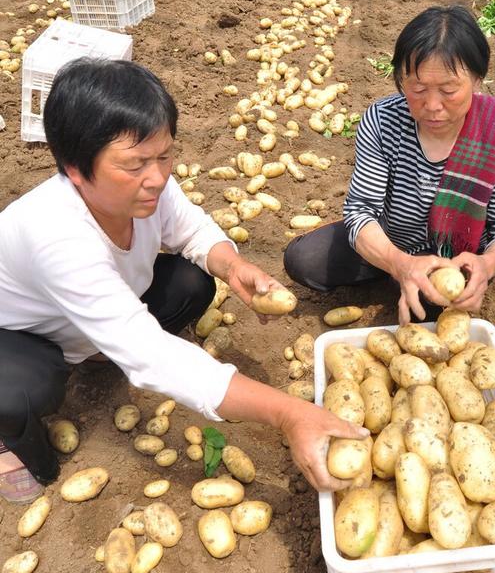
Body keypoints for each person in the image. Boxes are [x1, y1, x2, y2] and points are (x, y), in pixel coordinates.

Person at [0, 59, 365, 503]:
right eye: (135, 164)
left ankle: (97, 351)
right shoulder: (54, 235)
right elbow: (151, 354)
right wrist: (290, 414)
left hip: (93, 311)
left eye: (165, 155)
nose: (157, 177)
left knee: (194, 283)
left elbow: (190, 229)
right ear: (76, 169)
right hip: (19, 336)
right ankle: (6, 441)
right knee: (25, 390)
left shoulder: (147, 181)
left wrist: (233, 266)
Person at [284, 5, 495, 325]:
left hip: (456, 264)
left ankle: (417, 283)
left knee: (432, 309)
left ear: (477, 80)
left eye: (448, 90)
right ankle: (392, 275)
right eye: (417, 89)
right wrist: (399, 264)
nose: (432, 106)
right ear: (401, 80)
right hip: (393, 244)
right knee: (303, 259)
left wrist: (488, 265)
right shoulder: (382, 120)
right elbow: (360, 211)